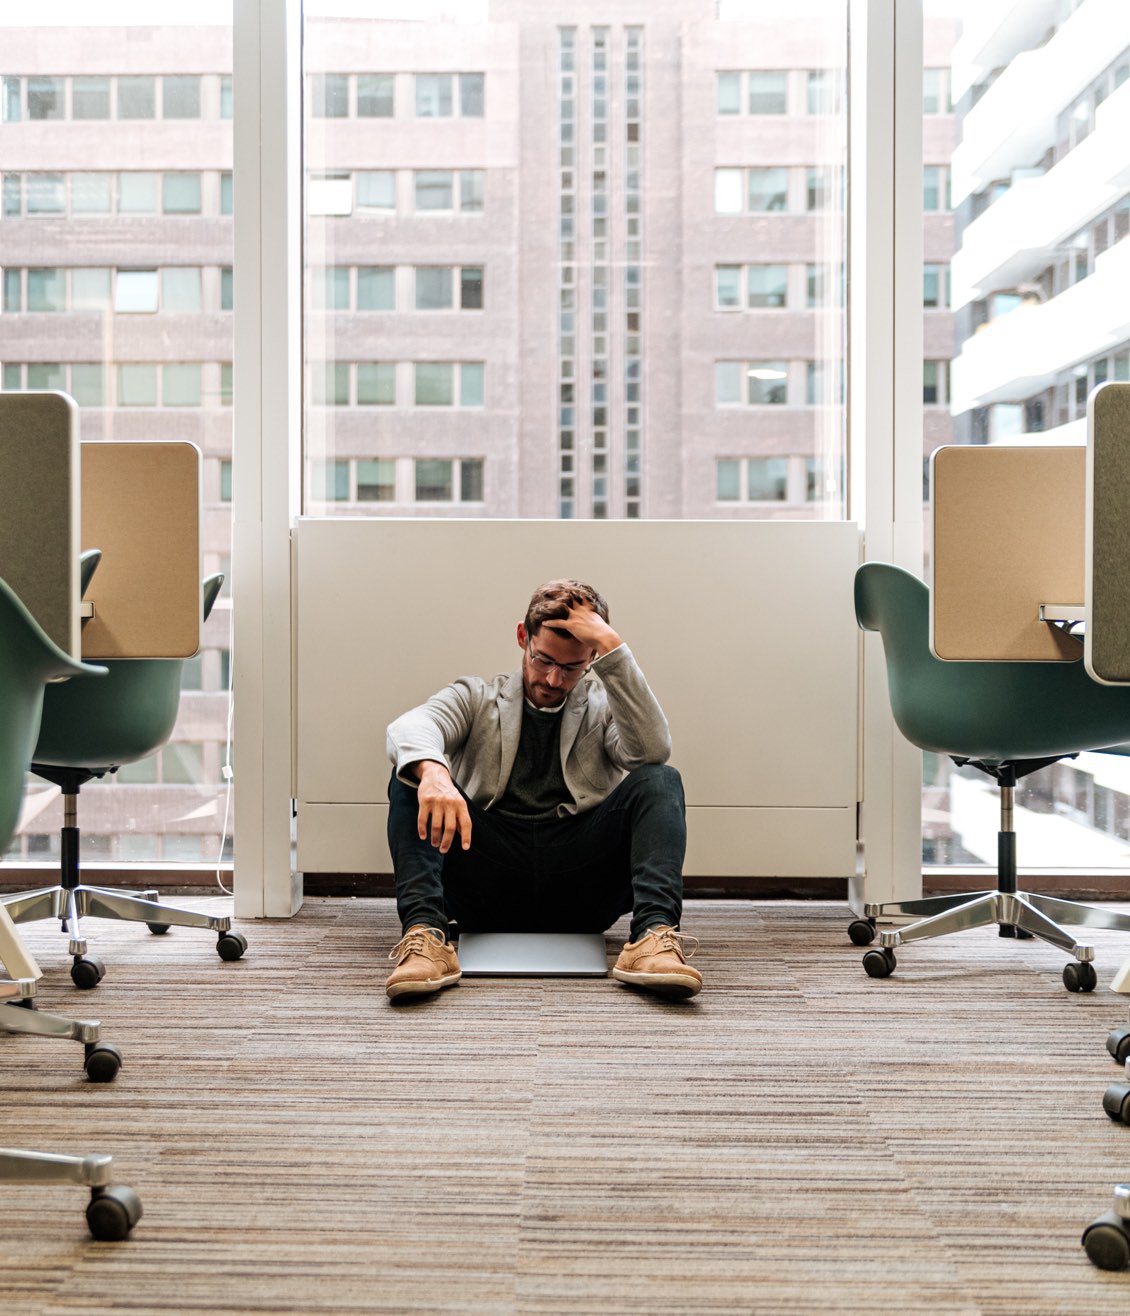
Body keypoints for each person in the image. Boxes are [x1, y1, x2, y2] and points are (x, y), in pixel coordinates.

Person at [384, 578, 701, 1002]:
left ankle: (653, 938)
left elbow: (652, 749)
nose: (553, 679)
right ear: (523, 637)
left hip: (580, 884)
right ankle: (425, 937)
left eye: (572, 667)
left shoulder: (606, 709)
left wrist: (611, 644)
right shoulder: (477, 697)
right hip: (486, 879)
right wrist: (433, 771)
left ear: (591, 657)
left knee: (661, 780)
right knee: (411, 776)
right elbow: (410, 727)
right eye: (543, 660)